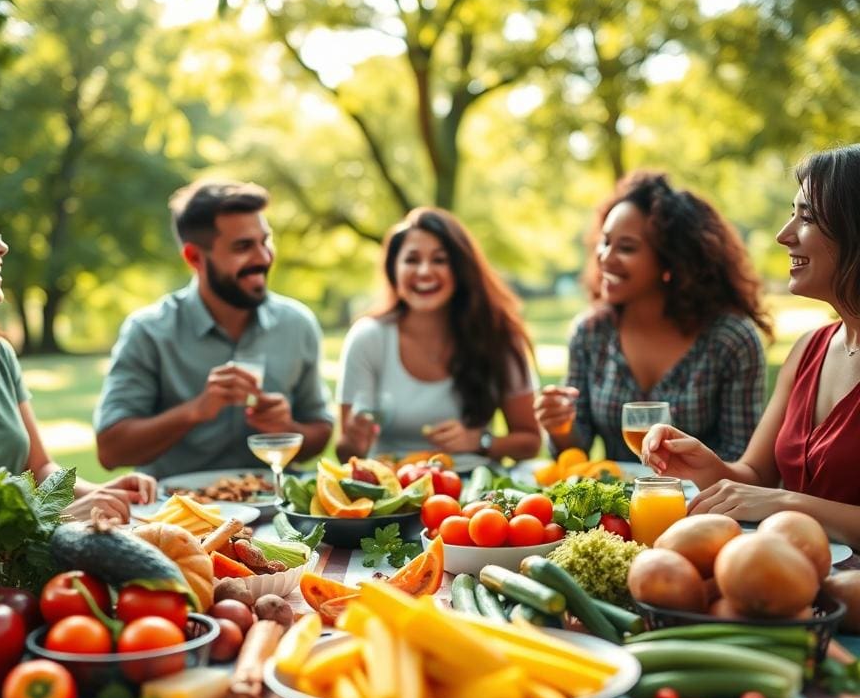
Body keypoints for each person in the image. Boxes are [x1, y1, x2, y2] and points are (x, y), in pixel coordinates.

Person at [0, 175, 157, 569]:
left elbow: (37, 469)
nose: (0, 246)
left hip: (21, 583)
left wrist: (99, 493)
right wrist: (47, 524)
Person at [643, 145, 860, 547]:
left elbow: (771, 497)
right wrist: (703, 465)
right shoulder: (808, 351)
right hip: (787, 575)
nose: (784, 235)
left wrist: (786, 503)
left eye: (807, 217)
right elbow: (756, 479)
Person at [94, 180, 333, 478]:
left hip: (272, 500)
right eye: (243, 246)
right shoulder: (149, 332)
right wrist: (195, 411)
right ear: (194, 257)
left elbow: (319, 435)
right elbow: (111, 451)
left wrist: (287, 428)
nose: (263, 257)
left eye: (265, 241)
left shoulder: (297, 324)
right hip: (176, 504)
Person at [535, 171, 773, 462]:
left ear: (671, 259)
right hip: (617, 492)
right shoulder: (590, 333)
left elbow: (743, 457)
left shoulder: (730, 340)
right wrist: (560, 425)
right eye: (605, 242)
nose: (605, 257)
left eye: (626, 248)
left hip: (706, 492)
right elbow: (576, 451)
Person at [336, 206, 540, 465]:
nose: (424, 271)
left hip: (474, 484)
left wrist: (479, 441)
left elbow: (530, 442)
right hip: (391, 484)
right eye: (411, 260)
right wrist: (354, 442)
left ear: (461, 270)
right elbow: (345, 452)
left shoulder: (498, 336)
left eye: (440, 260)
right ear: (393, 270)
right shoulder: (368, 338)